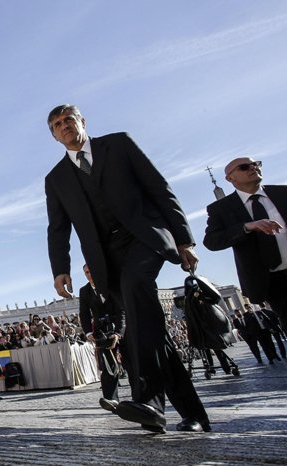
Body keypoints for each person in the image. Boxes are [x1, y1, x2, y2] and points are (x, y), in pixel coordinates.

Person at [44, 104, 208, 434]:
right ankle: (192, 414)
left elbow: (159, 188)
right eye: (57, 125)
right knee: (149, 329)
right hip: (106, 260)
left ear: (82, 122)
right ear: (53, 135)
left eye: (68, 120)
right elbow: (57, 228)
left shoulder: (118, 144)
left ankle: (147, 399)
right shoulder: (56, 179)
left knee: (136, 289)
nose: (64, 126)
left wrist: (184, 239)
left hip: (144, 238)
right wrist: (60, 268)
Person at [204, 157, 287, 331]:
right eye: (244, 167)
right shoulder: (221, 209)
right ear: (230, 178)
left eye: (256, 164)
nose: (253, 168)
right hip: (274, 281)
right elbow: (212, 241)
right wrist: (246, 227)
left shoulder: (283, 192)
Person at [78, 264, 125, 413]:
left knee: (131, 361)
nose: (89, 275)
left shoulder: (110, 285)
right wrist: (87, 333)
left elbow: (121, 310)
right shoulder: (84, 291)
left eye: (91, 271)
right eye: (86, 272)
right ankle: (111, 399)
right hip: (100, 332)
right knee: (107, 366)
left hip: (118, 328)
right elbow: (84, 314)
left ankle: (140, 399)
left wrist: (118, 333)